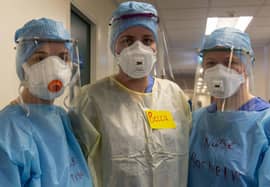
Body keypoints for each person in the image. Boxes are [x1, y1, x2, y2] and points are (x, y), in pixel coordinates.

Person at [70, 1, 192, 187]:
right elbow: (77, 165)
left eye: (147, 40)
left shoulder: (174, 95)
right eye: (127, 40)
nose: (138, 48)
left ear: (156, 47)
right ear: (114, 47)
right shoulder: (92, 98)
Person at [0, 18, 93, 186]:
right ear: (22, 65)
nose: (54, 68)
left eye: (63, 57)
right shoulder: (7, 130)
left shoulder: (61, 117)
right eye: (40, 58)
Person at [188, 27, 270, 187]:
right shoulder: (197, 119)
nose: (219, 70)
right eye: (210, 63)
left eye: (230, 62)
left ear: (247, 68)